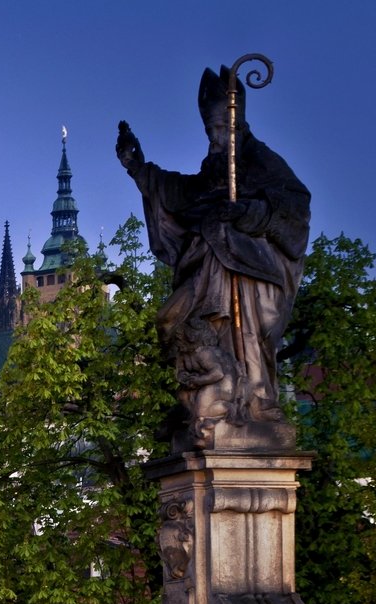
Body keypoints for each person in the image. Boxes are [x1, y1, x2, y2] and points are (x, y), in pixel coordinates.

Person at [118, 67, 310, 448]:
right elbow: (182, 193)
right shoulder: (216, 168)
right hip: (208, 263)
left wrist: (249, 214)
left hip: (248, 270)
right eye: (210, 132)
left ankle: (257, 401)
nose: (215, 138)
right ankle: (193, 406)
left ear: (237, 123)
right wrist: (139, 170)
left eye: (221, 129)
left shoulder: (260, 161)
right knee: (171, 321)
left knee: (247, 337)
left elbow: (295, 207)